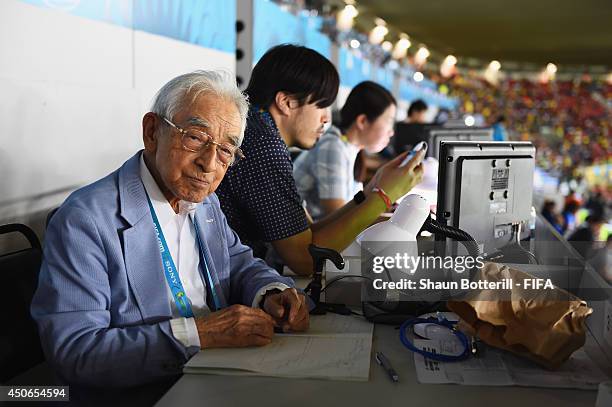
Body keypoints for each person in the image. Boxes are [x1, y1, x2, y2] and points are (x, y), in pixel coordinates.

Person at [31, 71, 309, 388]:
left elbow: (237, 264)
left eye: (225, 150)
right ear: (152, 132)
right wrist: (200, 334)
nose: (209, 164)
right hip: (149, 389)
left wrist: (270, 294)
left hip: (220, 369)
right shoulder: (85, 220)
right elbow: (76, 351)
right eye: (195, 138)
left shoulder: (204, 202)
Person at [216, 44, 424, 276]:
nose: (326, 118)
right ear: (286, 102)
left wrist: (372, 190)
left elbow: (307, 231)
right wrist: (383, 198)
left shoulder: (258, 129)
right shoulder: (263, 144)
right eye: (321, 105)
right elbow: (305, 259)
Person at [293, 81, 396, 220]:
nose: (392, 132)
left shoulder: (350, 148)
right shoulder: (332, 146)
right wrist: (395, 219)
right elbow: (341, 219)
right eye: (389, 121)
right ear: (363, 121)